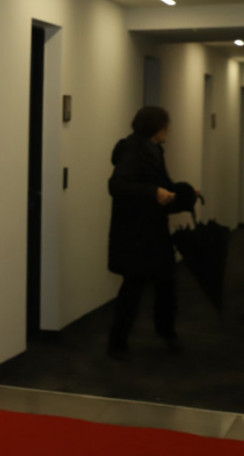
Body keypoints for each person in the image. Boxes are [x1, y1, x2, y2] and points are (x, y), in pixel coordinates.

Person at [107, 106, 189, 361]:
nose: (169, 130)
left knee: (166, 285)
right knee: (133, 288)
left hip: (154, 233)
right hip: (136, 235)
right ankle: (117, 343)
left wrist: (183, 194)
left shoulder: (153, 150)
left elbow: (161, 186)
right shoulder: (133, 151)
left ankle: (167, 333)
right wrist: (154, 193)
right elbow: (117, 185)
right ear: (155, 127)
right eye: (166, 125)